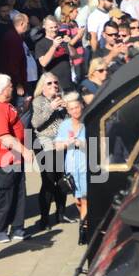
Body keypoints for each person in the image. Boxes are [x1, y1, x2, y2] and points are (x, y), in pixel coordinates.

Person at [0, 74, 34, 243]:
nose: (13, 87)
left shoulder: (3, 104)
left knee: (19, 193)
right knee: (5, 195)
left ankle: (18, 228)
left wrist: (23, 109)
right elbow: (4, 137)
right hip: (3, 159)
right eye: (11, 86)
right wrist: (25, 151)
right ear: (3, 89)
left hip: (15, 159)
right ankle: (1, 230)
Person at [30, 72, 69, 231]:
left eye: (55, 82)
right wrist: (51, 108)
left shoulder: (62, 98)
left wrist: (68, 110)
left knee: (62, 180)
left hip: (61, 144)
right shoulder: (38, 101)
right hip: (44, 144)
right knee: (48, 181)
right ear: (42, 87)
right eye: (49, 83)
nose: (54, 86)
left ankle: (61, 214)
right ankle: (44, 218)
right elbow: (35, 123)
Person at [55, 92, 90, 241]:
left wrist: (81, 143)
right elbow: (57, 146)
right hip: (71, 167)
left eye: (77, 107)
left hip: (86, 165)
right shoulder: (64, 126)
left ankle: (84, 228)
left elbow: (98, 144)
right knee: (78, 200)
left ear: (82, 106)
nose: (75, 111)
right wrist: (65, 143)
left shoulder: (88, 122)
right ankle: (86, 222)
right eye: (72, 109)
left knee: (85, 198)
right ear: (68, 111)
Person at [0, 12, 30, 105]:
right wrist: (18, 84)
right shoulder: (13, 38)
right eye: (27, 23)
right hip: (13, 82)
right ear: (22, 24)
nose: (28, 26)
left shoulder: (14, 36)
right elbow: (13, 63)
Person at [34, 15, 73, 91]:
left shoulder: (63, 39)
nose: (54, 30)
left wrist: (69, 44)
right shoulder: (40, 44)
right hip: (53, 86)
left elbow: (74, 56)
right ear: (44, 26)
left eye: (55, 27)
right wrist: (54, 46)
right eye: (51, 28)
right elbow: (43, 63)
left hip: (68, 83)